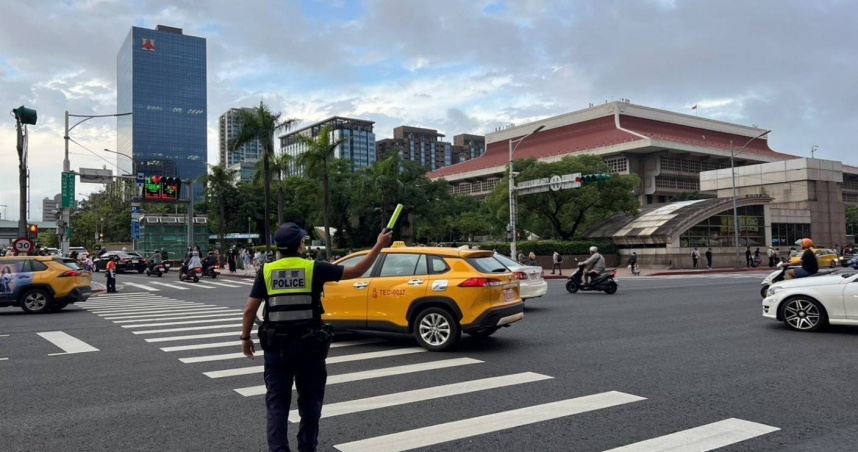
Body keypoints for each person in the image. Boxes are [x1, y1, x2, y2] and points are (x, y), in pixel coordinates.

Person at [240, 223, 392, 452]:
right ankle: (307, 447)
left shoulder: (267, 271)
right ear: (300, 245)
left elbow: (250, 309)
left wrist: (245, 338)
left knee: (277, 404)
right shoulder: (315, 268)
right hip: (309, 347)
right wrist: (379, 245)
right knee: (310, 401)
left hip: (277, 348)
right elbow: (357, 271)